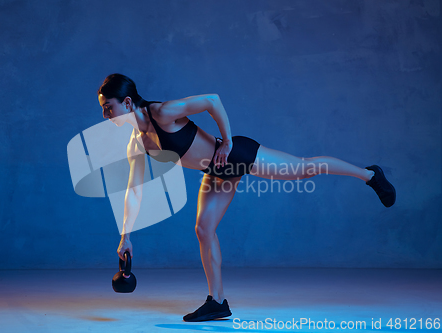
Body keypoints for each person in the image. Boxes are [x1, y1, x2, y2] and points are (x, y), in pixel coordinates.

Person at [97, 73, 396, 322]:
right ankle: (217, 302)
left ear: (126, 102)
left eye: (108, 107)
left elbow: (212, 100)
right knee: (203, 230)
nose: (105, 115)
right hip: (215, 174)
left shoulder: (162, 112)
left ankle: (369, 175)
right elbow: (133, 190)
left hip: (235, 154)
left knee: (304, 169)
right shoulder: (136, 144)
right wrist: (126, 236)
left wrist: (226, 140)